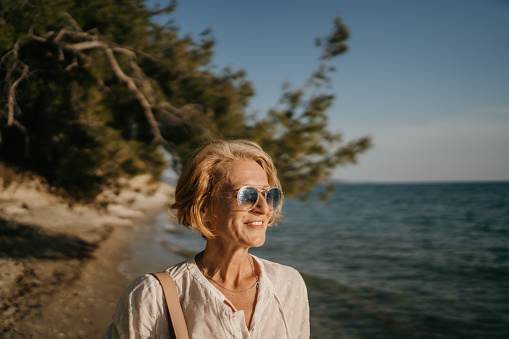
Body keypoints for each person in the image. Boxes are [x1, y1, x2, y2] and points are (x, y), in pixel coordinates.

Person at [104, 139, 310, 338]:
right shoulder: (152, 296)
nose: (264, 209)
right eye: (247, 195)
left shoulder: (289, 284)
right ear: (204, 209)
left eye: (269, 194)